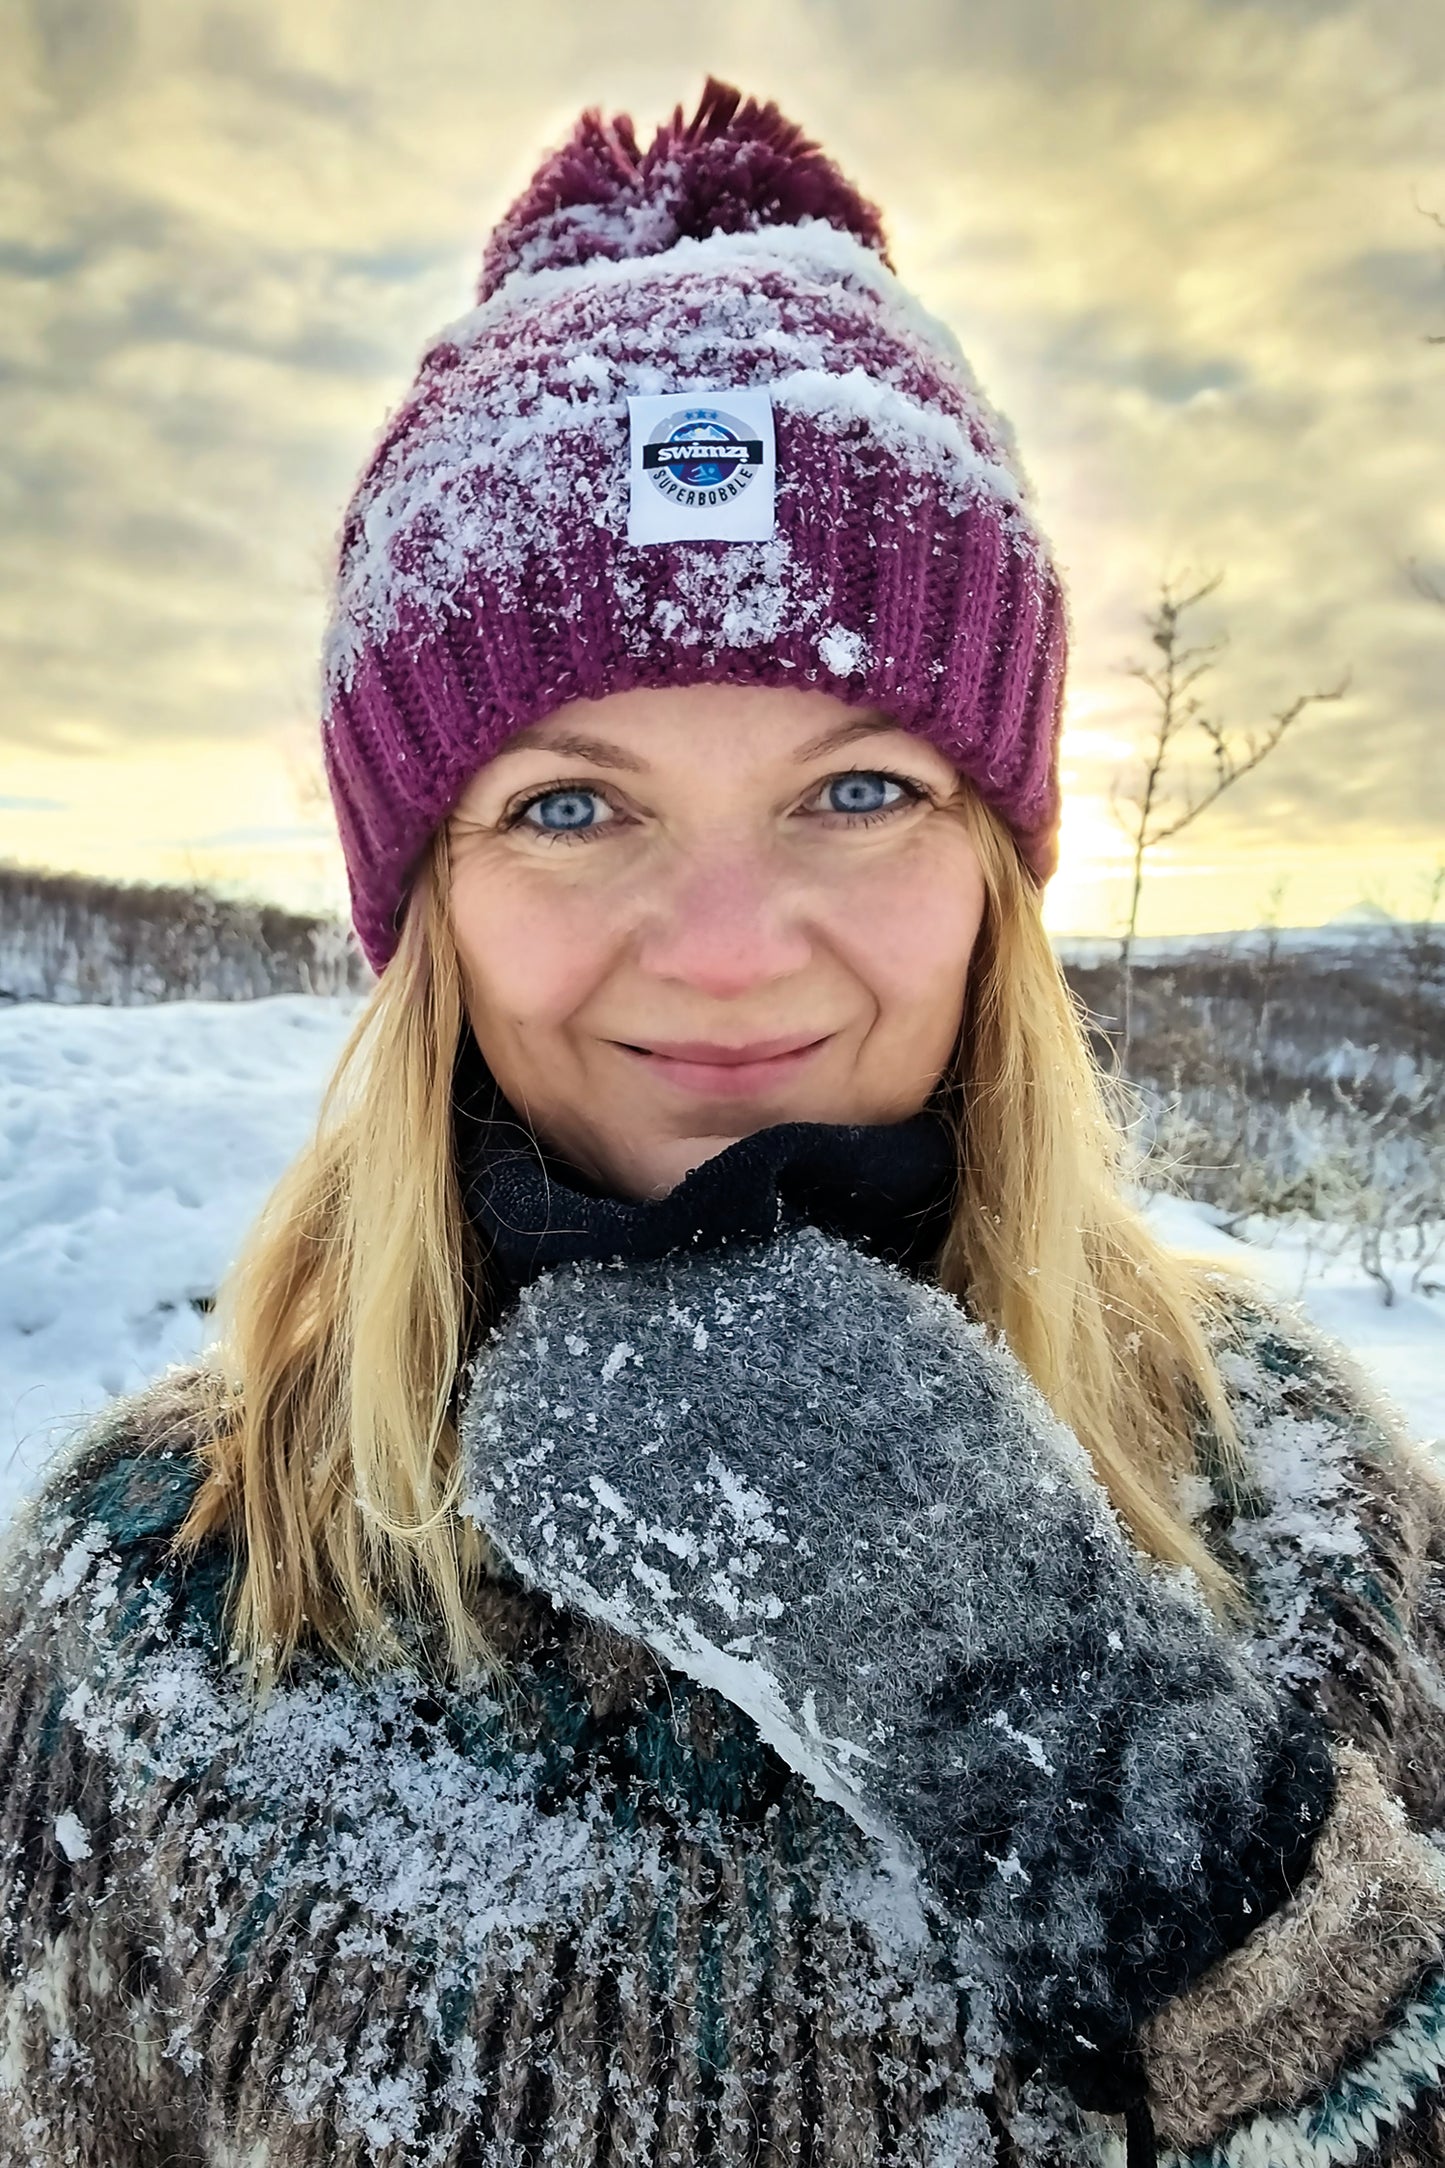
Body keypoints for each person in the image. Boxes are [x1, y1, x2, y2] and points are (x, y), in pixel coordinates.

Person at [2, 79, 1443, 2168]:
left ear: (995, 880)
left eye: (859, 790)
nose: (730, 952)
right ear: (429, 913)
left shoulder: (1313, 1518)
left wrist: (1200, 1868)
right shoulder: (157, 1598)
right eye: (570, 807)